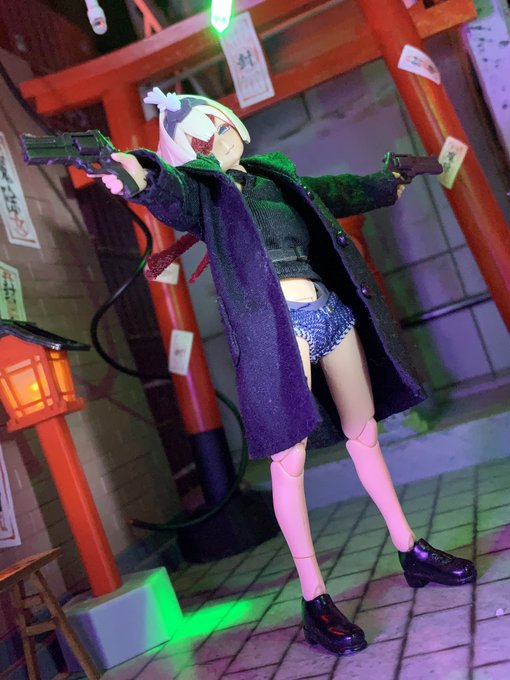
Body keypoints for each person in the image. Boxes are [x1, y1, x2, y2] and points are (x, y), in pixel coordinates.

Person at [99, 88, 476, 656]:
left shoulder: (276, 178)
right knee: (288, 459)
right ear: (189, 156)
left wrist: (386, 182)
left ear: (234, 123)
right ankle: (314, 597)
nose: (218, 142)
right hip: (276, 327)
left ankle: (410, 549)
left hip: (329, 309)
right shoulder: (206, 195)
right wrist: (138, 174)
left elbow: (334, 191)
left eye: (220, 128)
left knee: (365, 433)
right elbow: (169, 194)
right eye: (201, 143)